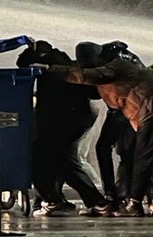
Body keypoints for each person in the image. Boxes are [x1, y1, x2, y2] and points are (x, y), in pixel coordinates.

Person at [38, 47, 153, 217]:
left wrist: (51, 70)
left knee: (144, 157)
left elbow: (91, 76)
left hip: (151, 109)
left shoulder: (116, 66)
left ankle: (134, 204)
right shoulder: (119, 73)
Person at [17, 41, 110, 216]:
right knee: (59, 160)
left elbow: (22, 63)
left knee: (49, 160)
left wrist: (32, 50)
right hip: (77, 120)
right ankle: (57, 199)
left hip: (61, 122)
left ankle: (90, 201)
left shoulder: (50, 67)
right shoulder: (66, 63)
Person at [79, 41, 142, 205]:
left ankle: (116, 193)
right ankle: (125, 193)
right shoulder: (123, 57)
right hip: (132, 109)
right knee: (127, 151)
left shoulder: (108, 66)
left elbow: (96, 92)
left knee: (109, 148)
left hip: (125, 110)